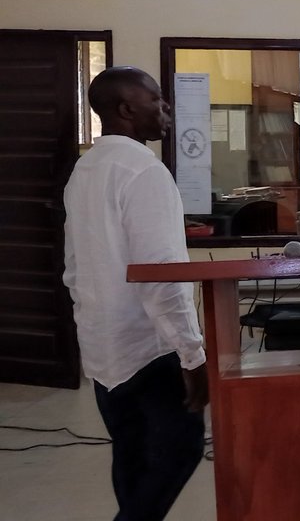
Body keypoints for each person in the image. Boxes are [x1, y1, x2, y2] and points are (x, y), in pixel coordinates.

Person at [63, 66, 208, 521]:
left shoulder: (84, 169)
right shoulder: (144, 171)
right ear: (126, 109)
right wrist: (193, 357)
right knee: (180, 451)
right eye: (157, 100)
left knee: (130, 453)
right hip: (148, 346)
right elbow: (163, 276)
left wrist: (89, 323)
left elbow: (74, 267)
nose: (166, 109)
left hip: (103, 345)